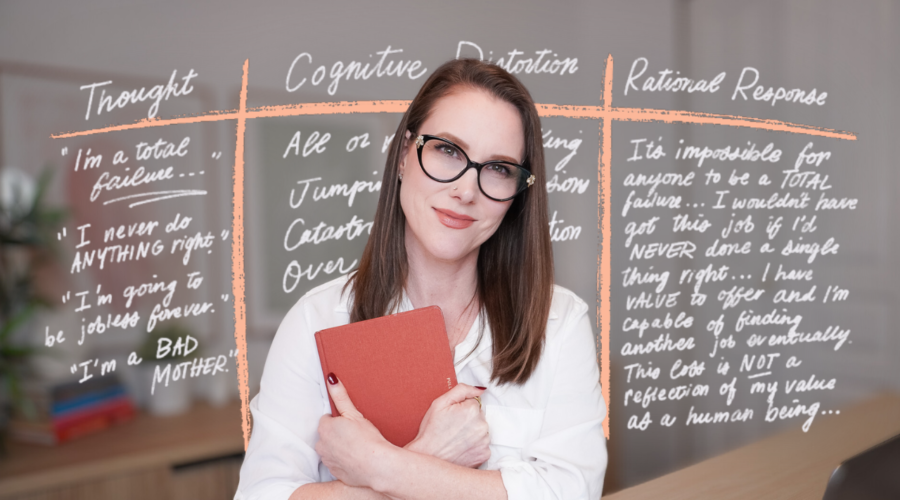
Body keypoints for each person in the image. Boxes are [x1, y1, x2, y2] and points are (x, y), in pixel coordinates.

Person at [235, 59, 607, 500]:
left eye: (499, 169)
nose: (466, 190)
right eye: (448, 150)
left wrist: (382, 466)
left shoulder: (559, 322)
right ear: (403, 154)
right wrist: (433, 453)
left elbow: (573, 491)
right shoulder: (315, 320)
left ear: (516, 197)